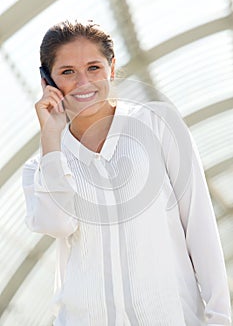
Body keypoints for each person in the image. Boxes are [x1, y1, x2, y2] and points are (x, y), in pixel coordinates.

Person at [22, 20, 232, 326]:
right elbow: (58, 223)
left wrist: (220, 318)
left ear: (112, 67)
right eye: (67, 72)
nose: (83, 82)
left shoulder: (159, 125)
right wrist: (51, 141)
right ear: (47, 81)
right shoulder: (40, 164)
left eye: (94, 67)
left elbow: (200, 227)